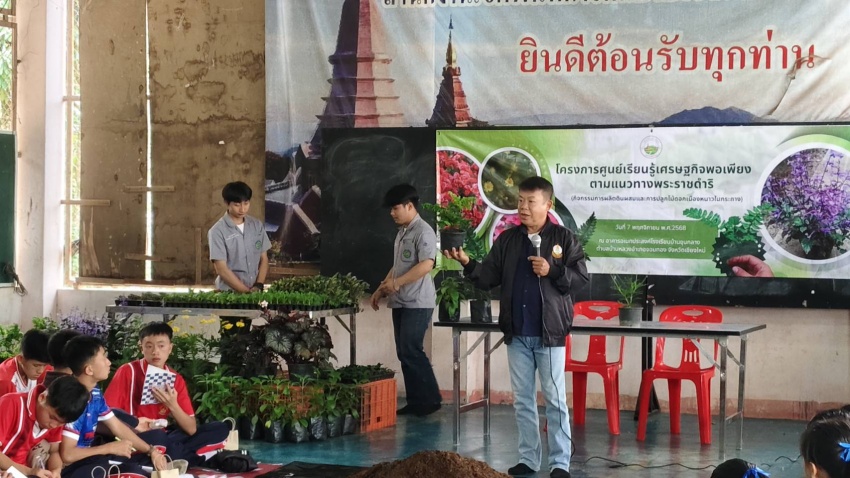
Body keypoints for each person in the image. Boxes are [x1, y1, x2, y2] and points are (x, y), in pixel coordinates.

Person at [444, 176, 588, 478]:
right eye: (520, 201)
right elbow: (487, 277)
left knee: (555, 401)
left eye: (530, 202)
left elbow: (581, 280)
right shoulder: (508, 240)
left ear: (547, 205)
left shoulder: (563, 239)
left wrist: (553, 270)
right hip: (518, 334)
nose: (523, 207)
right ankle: (529, 459)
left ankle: (560, 463)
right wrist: (467, 262)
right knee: (522, 400)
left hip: (549, 335)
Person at [104, 322, 229, 465]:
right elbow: (108, 416)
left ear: (170, 348)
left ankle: (173, 457)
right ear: (141, 348)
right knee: (160, 438)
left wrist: (172, 405)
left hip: (163, 438)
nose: (155, 352)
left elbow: (191, 429)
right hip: (136, 438)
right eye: (149, 346)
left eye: (161, 346)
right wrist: (137, 424)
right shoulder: (128, 371)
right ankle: (193, 458)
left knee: (219, 428)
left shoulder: (175, 379)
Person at [369, 184, 441, 417]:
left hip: (418, 302)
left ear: (409, 206)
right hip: (401, 301)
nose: (392, 213)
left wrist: (397, 283)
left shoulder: (423, 231)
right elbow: (398, 266)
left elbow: (427, 264)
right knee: (404, 351)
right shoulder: (402, 232)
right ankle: (416, 401)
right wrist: (382, 288)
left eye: (395, 208)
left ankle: (431, 400)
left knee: (411, 348)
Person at [61, 336, 167, 478]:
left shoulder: (94, 392)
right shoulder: (72, 399)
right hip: (72, 468)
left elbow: (116, 426)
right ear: (89, 370)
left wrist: (151, 451)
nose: (109, 362)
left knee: (155, 443)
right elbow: (67, 455)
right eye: (104, 357)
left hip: (91, 458)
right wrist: (109, 448)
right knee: (133, 473)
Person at [0, 375, 88, 478]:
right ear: (42, 397)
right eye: (52, 417)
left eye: (61, 423)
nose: (54, 425)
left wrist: (56, 470)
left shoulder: (57, 418)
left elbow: (54, 451)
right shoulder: (11, 404)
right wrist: (29, 471)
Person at [208, 181, 271, 294]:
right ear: (227, 203)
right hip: (228, 294)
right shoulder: (217, 231)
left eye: (246, 203)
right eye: (237, 205)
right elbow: (221, 269)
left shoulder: (256, 225)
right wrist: (246, 292)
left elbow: (264, 259)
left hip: (255, 291)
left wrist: (259, 285)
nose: (242, 209)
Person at [0, 330, 52, 394]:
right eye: (36, 365)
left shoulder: (46, 370)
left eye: (45, 365)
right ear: (21, 359)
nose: (40, 371)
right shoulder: (5, 381)